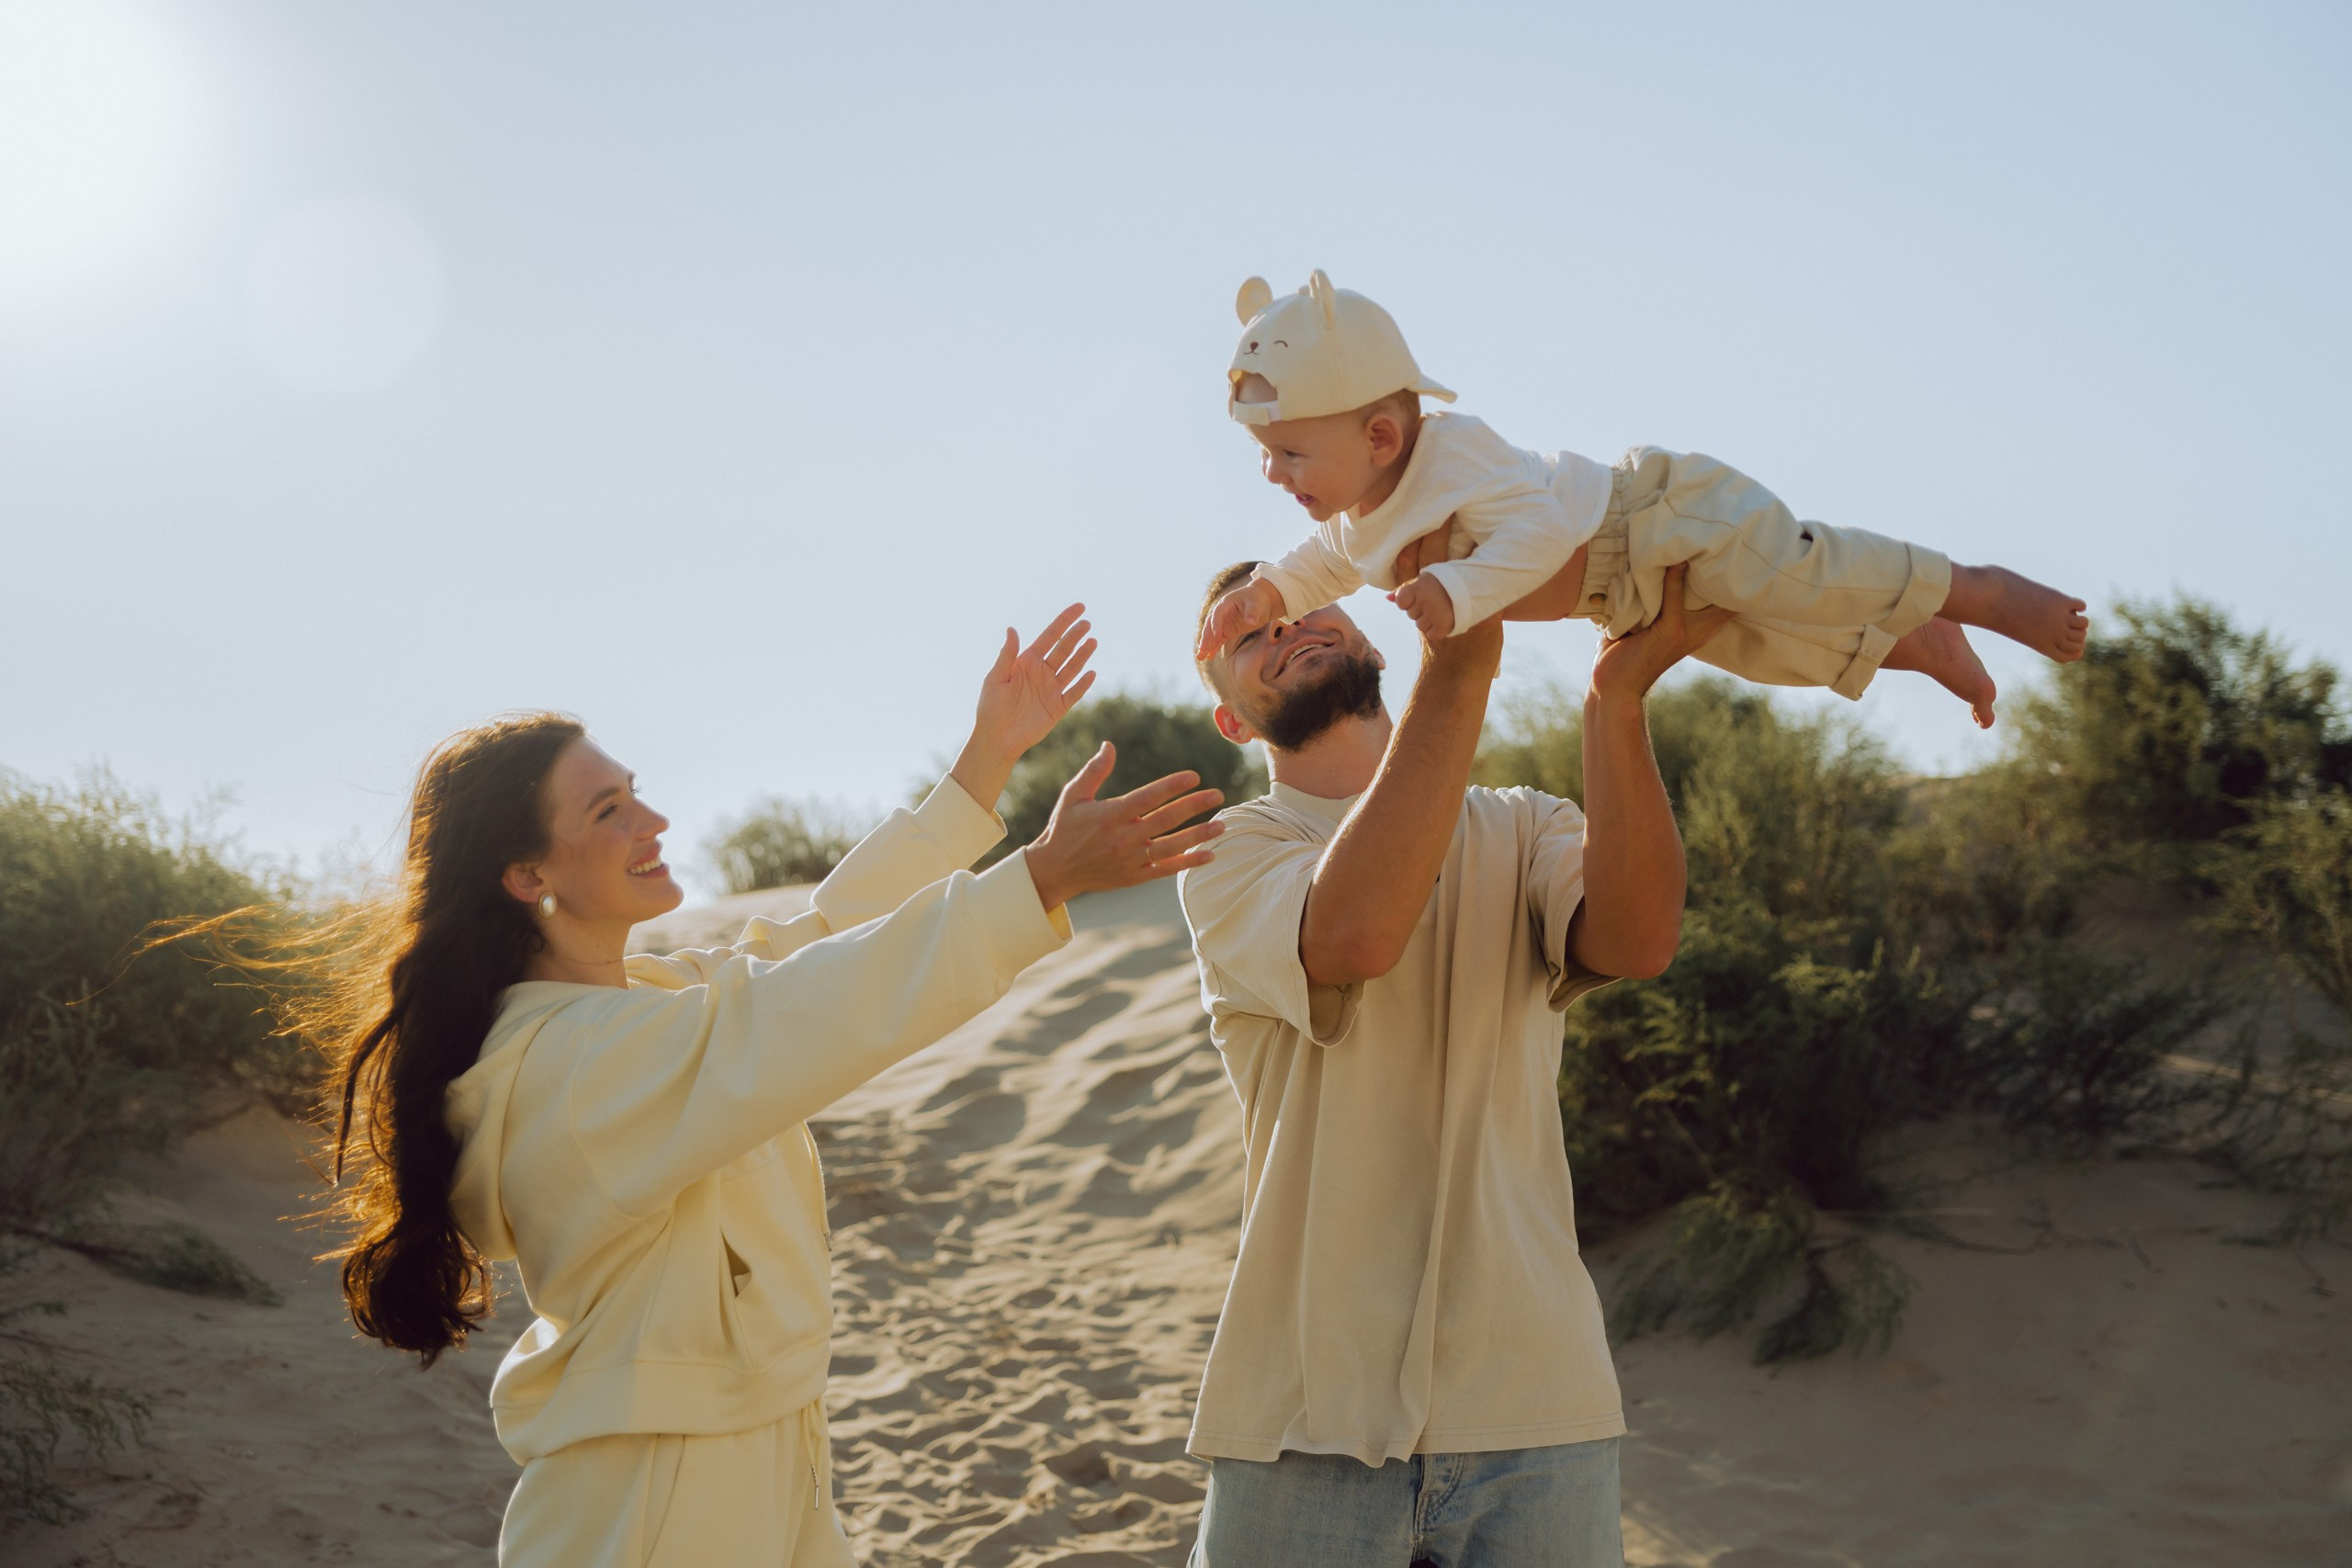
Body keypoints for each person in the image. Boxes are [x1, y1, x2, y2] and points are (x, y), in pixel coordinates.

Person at [296, 607, 1225, 1566]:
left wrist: (983, 764)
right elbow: (808, 1010)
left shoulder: (643, 1004)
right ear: (529, 874)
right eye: (607, 811)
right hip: (659, 1490)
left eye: (635, 792)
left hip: (759, 1448)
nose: (653, 823)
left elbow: (814, 944)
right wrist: (1036, 878)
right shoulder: (574, 1064)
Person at [1177, 536, 1734, 1566]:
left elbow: (1638, 940)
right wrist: (1462, 663)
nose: (1283, 626)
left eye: (1300, 604)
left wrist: (1615, 703)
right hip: (1307, 1415)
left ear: (1363, 631)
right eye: (1247, 635)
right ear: (1228, 714)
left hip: (1537, 1404)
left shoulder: (1526, 826)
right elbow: (1354, 936)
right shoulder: (1230, 854)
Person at [1194, 269, 2089, 728]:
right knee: (1769, 645)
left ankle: (1979, 589)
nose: (1276, 477)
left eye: (1288, 453)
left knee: (1800, 577)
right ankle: (1924, 644)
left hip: (1656, 520)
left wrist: (1458, 594)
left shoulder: (1451, 456)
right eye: (1264, 457)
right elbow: (1324, 568)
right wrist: (1269, 591)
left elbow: (1542, 530)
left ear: (1380, 437)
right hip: (1618, 592)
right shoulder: (1359, 526)